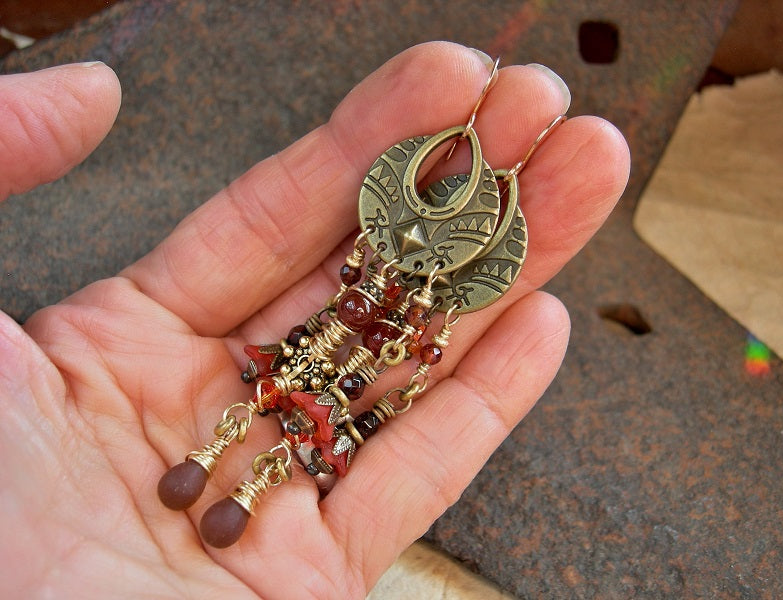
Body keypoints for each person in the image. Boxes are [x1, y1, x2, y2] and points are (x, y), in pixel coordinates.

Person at [0, 42, 629, 598]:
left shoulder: (423, 287)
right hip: (323, 348)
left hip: (367, 352)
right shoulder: (379, 260)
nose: (411, 237)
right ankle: (233, 467)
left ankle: (244, 476)